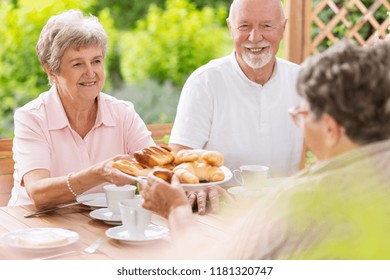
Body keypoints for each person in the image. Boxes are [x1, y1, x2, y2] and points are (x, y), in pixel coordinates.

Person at [141, 39, 390, 259]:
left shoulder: (301, 203)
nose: (299, 123)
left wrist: (175, 211)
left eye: (303, 115)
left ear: (330, 129)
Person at [9, 10, 155, 210]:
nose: (90, 73)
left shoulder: (123, 113)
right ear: (51, 70)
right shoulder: (32, 118)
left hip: (101, 224)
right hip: (37, 227)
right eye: (78, 64)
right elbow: (38, 192)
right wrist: (98, 173)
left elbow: (156, 167)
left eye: (96, 61)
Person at [169, 0, 304, 178]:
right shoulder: (204, 82)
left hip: (285, 203)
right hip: (222, 203)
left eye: (266, 26)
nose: (254, 37)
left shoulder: (302, 81)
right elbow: (179, 159)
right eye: (244, 26)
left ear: (283, 28)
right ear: (230, 28)